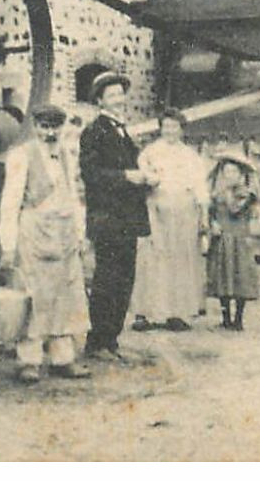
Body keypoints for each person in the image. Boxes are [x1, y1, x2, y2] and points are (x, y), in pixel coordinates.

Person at [0, 104, 92, 384]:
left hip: (64, 231)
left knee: (64, 293)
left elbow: (74, 196)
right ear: (35, 127)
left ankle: (63, 358)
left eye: (55, 127)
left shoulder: (66, 155)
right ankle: (29, 360)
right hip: (34, 230)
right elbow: (10, 201)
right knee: (33, 293)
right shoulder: (21, 155)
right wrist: (8, 244)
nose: (50, 133)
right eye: (44, 127)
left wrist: (79, 232)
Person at [78, 71, 155, 361]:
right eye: (111, 95)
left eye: (120, 94)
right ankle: (97, 342)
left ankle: (112, 339)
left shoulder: (123, 131)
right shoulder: (94, 131)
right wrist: (126, 176)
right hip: (108, 219)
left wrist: (146, 178)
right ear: (100, 101)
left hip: (127, 219)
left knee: (124, 280)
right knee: (107, 280)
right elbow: (91, 174)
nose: (118, 99)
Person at [129, 110, 208, 332]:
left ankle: (177, 313)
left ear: (181, 129)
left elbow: (200, 187)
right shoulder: (150, 152)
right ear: (160, 128)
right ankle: (147, 313)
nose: (170, 131)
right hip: (156, 208)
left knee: (180, 259)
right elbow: (140, 175)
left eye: (174, 126)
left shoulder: (190, 155)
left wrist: (204, 215)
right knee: (153, 258)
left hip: (183, 210)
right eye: (166, 126)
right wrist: (149, 180)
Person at [206, 156, 260, 331]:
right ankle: (225, 318)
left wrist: (228, 191)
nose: (229, 175)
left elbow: (234, 209)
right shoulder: (217, 193)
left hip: (239, 240)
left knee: (240, 277)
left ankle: (238, 318)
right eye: (226, 172)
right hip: (222, 240)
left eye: (233, 171)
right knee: (223, 277)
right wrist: (212, 222)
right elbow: (211, 211)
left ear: (240, 175)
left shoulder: (245, 193)